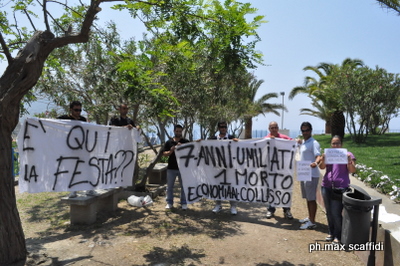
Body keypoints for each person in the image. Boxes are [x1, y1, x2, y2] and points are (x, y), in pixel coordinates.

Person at [319, 135, 356, 244]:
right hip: (326, 185)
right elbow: (322, 167)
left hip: (340, 187)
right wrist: (323, 159)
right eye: (334, 143)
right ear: (331, 144)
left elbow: (352, 170)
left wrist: (349, 161)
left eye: (338, 143)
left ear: (342, 144)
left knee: (336, 212)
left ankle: (338, 235)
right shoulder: (328, 154)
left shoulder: (348, 155)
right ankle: (331, 232)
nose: (336, 145)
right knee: (329, 211)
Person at [57, 101, 93, 198]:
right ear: (71, 109)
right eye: (76, 110)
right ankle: (73, 190)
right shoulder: (64, 119)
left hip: (82, 148)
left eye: (80, 110)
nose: (78, 112)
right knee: (72, 170)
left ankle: (89, 189)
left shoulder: (83, 119)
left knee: (86, 168)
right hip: (69, 149)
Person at [264, 121, 293, 219]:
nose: (274, 129)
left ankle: (286, 210)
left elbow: (293, 143)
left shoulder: (284, 138)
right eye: (272, 128)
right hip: (271, 170)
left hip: (284, 169)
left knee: (285, 188)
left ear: (278, 128)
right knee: (272, 190)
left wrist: (298, 141)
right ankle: (271, 209)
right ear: (269, 129)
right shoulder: (266, 139)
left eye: (275, 127)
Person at [209, 121, 239, 215]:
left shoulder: (231, 138)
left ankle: (233, 206)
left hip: (230, 167)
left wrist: (237, 142)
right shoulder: (213, 139)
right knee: (218, 186)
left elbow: (241, 146)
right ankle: (218, 205)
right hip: (217, 167)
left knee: (231, 187)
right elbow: (203, 145)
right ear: (218, 128)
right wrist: (199, 142)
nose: (223, 128)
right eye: (221, 127)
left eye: (225, 127)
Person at [298, 122, 322, 229]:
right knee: (308, 197)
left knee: (311, 198)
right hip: (304, 173)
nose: (305, 132)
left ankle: (312, 221)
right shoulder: (304, 142)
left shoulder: (314, 143)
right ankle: (310, 217)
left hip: (311, 174)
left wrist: (315, 163)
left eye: (307, 130)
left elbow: (319, 156)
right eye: (303, 131)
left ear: (311, 130)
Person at [163, 125, 190, 210]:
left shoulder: (185, 141)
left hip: (183, 168)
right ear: (174, 131)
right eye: (177, 131)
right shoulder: (169, 142)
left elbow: (190, 152)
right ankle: (169, 202)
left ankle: (184, 203)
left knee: (184, 186)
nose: (178, 133)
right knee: (170, 186)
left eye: (180, 131)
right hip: (171, 168)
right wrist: (171, 150)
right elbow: (164, 154)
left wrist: (183, 148)